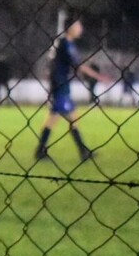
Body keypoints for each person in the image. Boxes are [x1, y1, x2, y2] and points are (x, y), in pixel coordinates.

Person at [35, 13, 111, 163]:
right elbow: (78, 66)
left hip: (61, 84)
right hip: (60, 85)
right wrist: (99, 77)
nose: (80, 28)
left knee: (56, 119)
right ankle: (82, 152)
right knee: (70, 118)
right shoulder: (65, 44)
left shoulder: (65, 43)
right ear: (70, 28)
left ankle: (41, 151)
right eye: (78, 26)